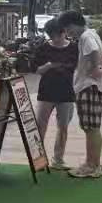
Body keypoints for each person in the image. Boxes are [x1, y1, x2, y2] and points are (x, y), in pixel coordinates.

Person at [59, 11, 102, 178]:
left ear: (74, 24)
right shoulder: (91, 33)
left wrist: (94, 69)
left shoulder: (86, 37)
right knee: (92, 127)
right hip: (94, 86)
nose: (67, 33)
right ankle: (94, 164)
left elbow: (94, 53)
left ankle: (91, 165)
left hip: (88, 87)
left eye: (67, 28)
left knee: (90, 128)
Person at [33, 19, 78, 170]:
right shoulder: (43, 48)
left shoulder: (73, 48)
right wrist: (48, 66)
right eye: (51, 36)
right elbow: (36, 70)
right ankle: (38, 159)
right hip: (46, 91)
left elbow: (75, 67)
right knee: (40, 125)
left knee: (63, 126)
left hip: (66, 92)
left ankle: (58, 159)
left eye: (57, 36)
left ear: (64, 33)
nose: (55, 39)